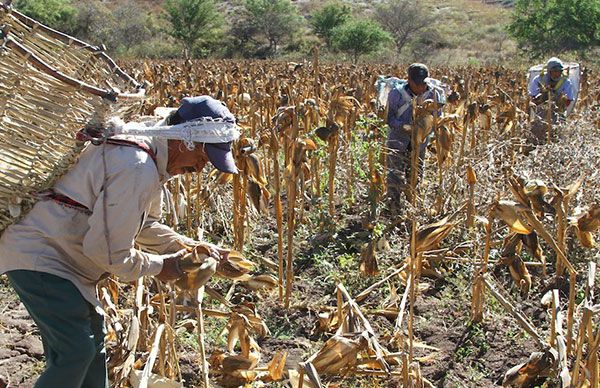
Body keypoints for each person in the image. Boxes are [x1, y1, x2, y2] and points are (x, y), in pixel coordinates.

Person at [0, 96, 238, 387]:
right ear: (184, 141)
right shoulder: (137, 167)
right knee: (75, 351)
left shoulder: (151, 159)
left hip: (62, 257)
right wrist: (161, 267)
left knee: (90, 346)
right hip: (42, 254)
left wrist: (192, 249)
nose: (201, 168)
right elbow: (108, 252)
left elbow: (146, 225)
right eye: (203, 157)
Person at [386, 63, 444, 203]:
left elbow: (438, 118)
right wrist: (405, 127)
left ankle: (413, 202)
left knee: (416, 174)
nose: (420, 87)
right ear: (409, 80)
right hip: (398, 141)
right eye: (416, 84)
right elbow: (389, 118)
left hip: (420, 143)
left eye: (423, 84)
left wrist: (425, 128)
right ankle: (394, 205)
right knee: (395, 175)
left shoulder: (434, 95)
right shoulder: (396, 94)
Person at [527, 57, 575, 144]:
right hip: (541, 113)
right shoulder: (538, 80)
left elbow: (569, 100)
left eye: (560, 71)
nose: (558, 74)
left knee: (557, 136)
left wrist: (559, 105)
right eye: (555, 71)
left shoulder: (566, 82)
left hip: (558, 112)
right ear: (549, 71)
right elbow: (532, 97)